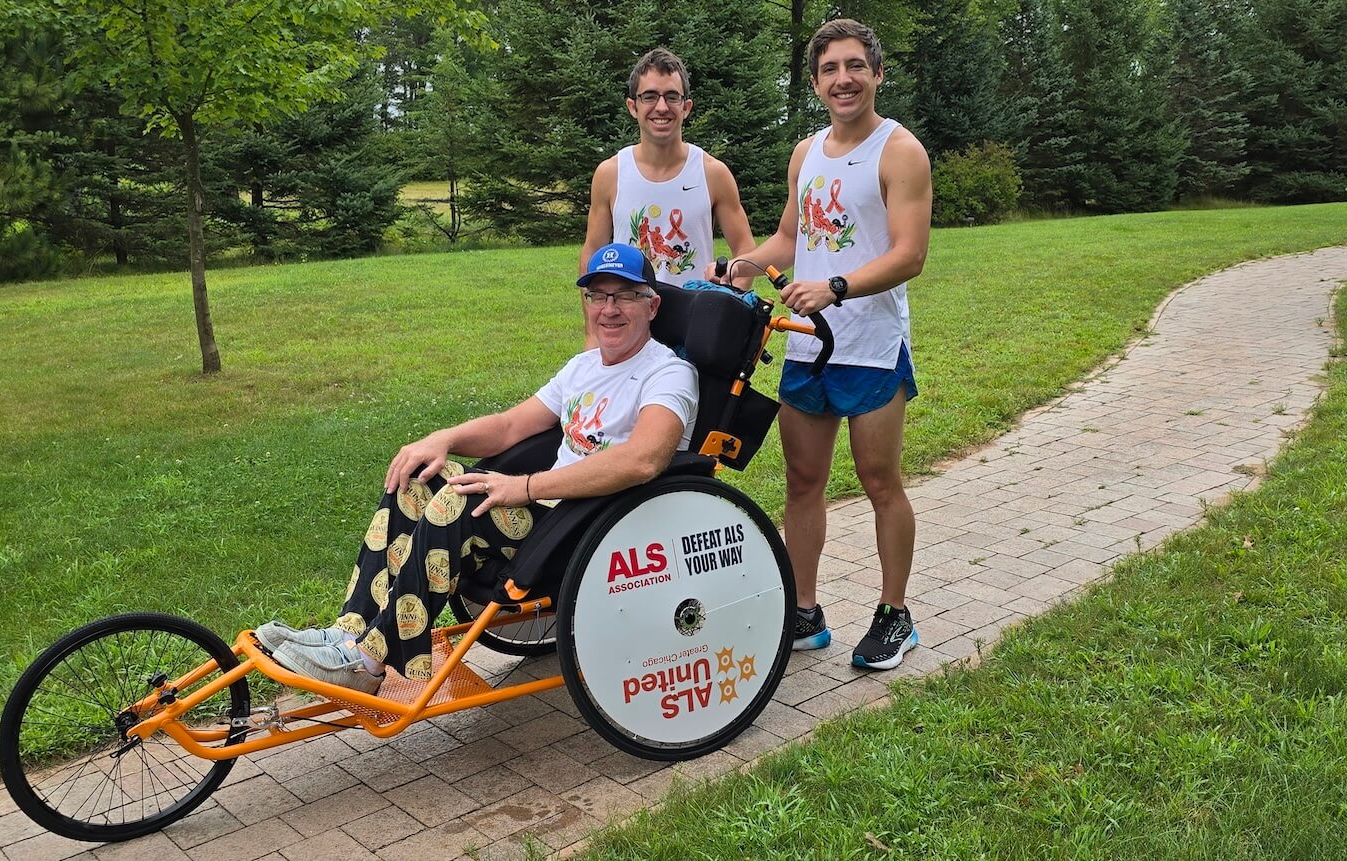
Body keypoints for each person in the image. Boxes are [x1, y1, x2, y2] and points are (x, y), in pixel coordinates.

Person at [258, 243, 698, 693]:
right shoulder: (583, 367)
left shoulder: (667, 374)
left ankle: (368, 665)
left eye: (624, 295)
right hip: (548, 509)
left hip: (600, 524)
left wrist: (525, 486)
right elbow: (509, 426)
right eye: (597, 296)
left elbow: (644, 459)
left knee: (456, 499)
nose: (608, 309)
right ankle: (350, 632)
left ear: (652, 304)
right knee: (417, 477)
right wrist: (441, 440)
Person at [723, 19, 931, 671]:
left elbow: (910, 255)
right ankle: (805, 612)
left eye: (854, 66)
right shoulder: (806, 153)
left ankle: (895, 615)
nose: (843, 79)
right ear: (815, 83)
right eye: (829, 69)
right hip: (809, 348)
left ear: (877, 73)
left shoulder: (900, 152)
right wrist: (746, 264)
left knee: (879, 480)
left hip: (870, 344)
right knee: (804, 480)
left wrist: (835, 285)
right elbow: (791, 237)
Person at [580, 48, 756, 346]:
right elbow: (592, 254)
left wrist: (725, 310)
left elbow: (746, 249)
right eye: (649, 96)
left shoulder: (712, 173)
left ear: (686, 106)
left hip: (693, 330)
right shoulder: (610, 173)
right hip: (627, 329)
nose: (661, 107)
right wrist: (592, 332)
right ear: (632, 106)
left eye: (671, 97)